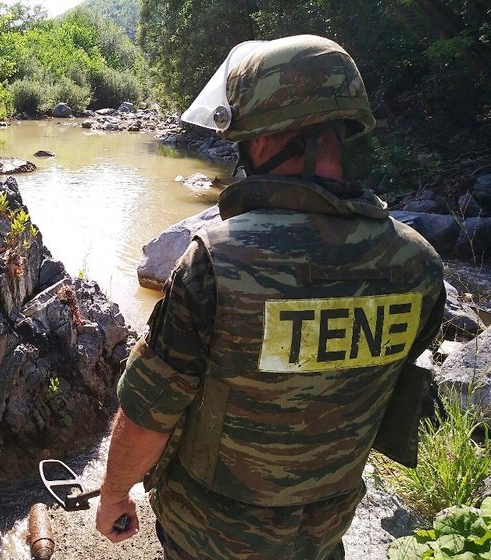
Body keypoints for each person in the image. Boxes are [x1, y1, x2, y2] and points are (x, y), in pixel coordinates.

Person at [95, 34, 445, 560]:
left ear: (266, 139)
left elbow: (151, 412)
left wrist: (114, 494)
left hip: (208, 535)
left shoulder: (216, 260)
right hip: (323, 528)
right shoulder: (418, 263)